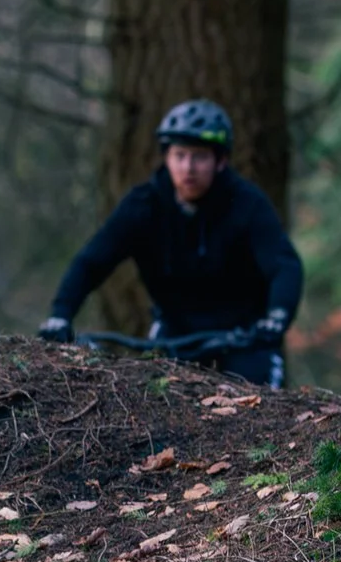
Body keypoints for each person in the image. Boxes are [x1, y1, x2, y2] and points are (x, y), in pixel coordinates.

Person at [39, 99, 303, 389]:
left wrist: (277, 316)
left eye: (199, 156)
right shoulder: (143, 206)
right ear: (166, 158)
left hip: (244, 337)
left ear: (221, 161)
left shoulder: (247, 204)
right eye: (179, 155)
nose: (188, 167)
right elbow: (92, 262)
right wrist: (60, 315)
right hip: (175, 334)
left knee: (261, 410)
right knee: (154, 406)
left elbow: (284, 265)